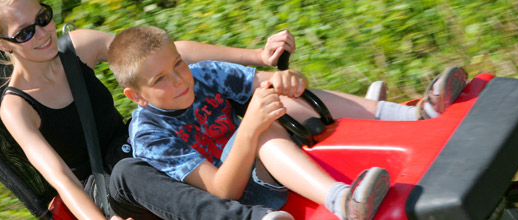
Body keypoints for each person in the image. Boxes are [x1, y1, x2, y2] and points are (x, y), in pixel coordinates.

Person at [0, 0, 301, 219]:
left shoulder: (78, 48)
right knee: (130, 172)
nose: (42, 33)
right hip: (106, 188)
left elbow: (157, 56)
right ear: (3, 43)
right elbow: (61, 180)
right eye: (25, 33)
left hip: (135, 147)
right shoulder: (16, 108)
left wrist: (258, 56)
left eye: (42, 18)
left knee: (188, 87)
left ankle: (308, 144)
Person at [108, 26, 467, 220]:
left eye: (178, 65)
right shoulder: (148, 134)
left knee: (278, 96)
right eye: (160, 81)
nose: (179, 81)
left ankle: (413, 115)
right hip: (238, 199)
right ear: (135, 95)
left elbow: (269, 86)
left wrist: (286, 81)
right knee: (262, 126)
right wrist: (249, 127)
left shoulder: (203, 75)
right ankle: (342, 201)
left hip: (265, 162)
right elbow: (220, 191)